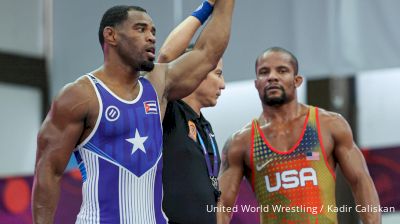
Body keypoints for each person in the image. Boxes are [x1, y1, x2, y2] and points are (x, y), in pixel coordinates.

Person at [31, 1, 235, 223]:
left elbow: (208, 53)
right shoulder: (80, 96)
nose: (151, 37)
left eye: (153, 31)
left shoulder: (157, 87)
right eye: (141, 29)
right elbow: (48, 173)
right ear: (111, 35)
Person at [217, 47, 381, 224]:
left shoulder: (329, 125)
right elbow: (222, 206)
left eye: (282, 70)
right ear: (257, 83)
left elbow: (361, 182)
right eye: (264, 72)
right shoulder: (241, 142)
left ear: (297, 80)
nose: (272, 76)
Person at [156, 1, 225, 223]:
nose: (223, 85)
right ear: (196, 73)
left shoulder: (205, 126)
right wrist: (207, 7)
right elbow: (165, 59)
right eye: (218, 74)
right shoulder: (169, 110)